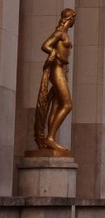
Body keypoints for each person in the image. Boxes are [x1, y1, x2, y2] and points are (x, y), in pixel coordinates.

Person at [34, 8, 77, 152]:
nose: (74, 21)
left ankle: (51, 139)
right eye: (73, 18)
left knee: (56, 105)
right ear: (70, 18)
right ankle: (50, 137)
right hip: (57, 70)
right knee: (67, 104)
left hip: (62, 71)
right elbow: (45, 45)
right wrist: (56, 55)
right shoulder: (60, 33)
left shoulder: (64, 34)